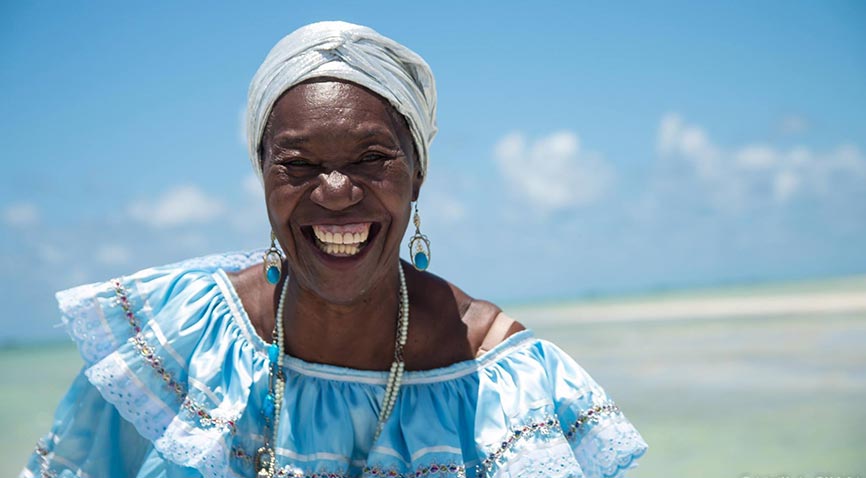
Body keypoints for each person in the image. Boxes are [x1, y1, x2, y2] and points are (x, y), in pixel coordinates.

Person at [21, 21, 648, 478]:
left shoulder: (505, 383)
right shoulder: (179, 345)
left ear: (418, 175)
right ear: (262, 176)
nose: (338, 193)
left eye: (372, 159)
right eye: (299, 164)